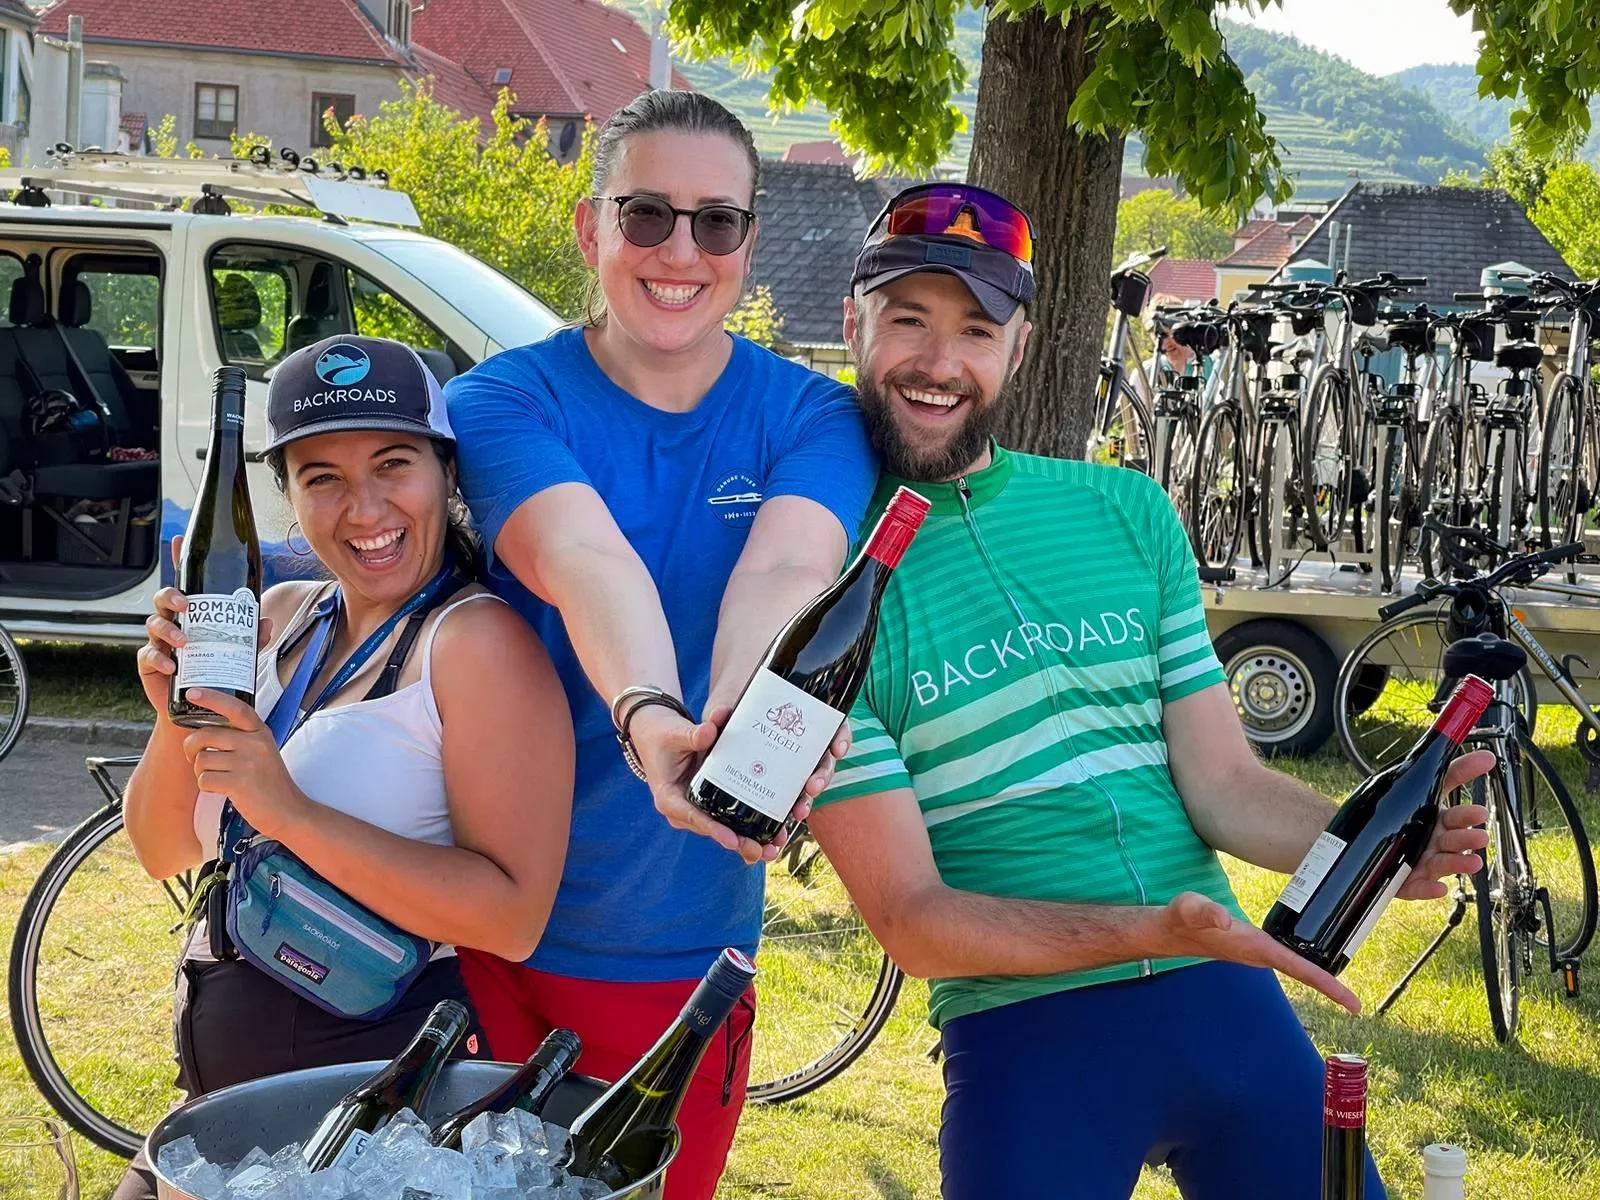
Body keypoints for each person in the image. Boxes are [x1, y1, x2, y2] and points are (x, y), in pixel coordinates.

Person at [808, 184, 1496, 1200]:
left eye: (974, 329)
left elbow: (1221, 783)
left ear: (1021, 347)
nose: (938, 363)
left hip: (1226, 1003)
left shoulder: (1123, 509)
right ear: (852, 323)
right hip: (1023, 1035)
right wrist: (1155, 929)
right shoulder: (818, 587)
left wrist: (1370, 839)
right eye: (905, 319)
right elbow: (913, 920)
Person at [443, 90, 876, 1199]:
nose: (680, 250)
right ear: (592, 231)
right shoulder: (502, 400)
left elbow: (784, 574)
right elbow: (584, 559)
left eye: (715, 222)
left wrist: (733, 728)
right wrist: (651, 717)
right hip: (483, 929)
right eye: (646, 215)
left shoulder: (813, 417)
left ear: (747, 245)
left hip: (682, 944)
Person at [114, 335, 572, 1200]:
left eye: (393, 465)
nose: (363, 509)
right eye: (321, 477)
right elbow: (163, 846)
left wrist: (288, 811)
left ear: (446, 472)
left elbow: (513, 918)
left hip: (367, 1115)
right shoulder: (278, 616)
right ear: (287, 495)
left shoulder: (475, 646)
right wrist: (173, 714)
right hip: (222, 1108)